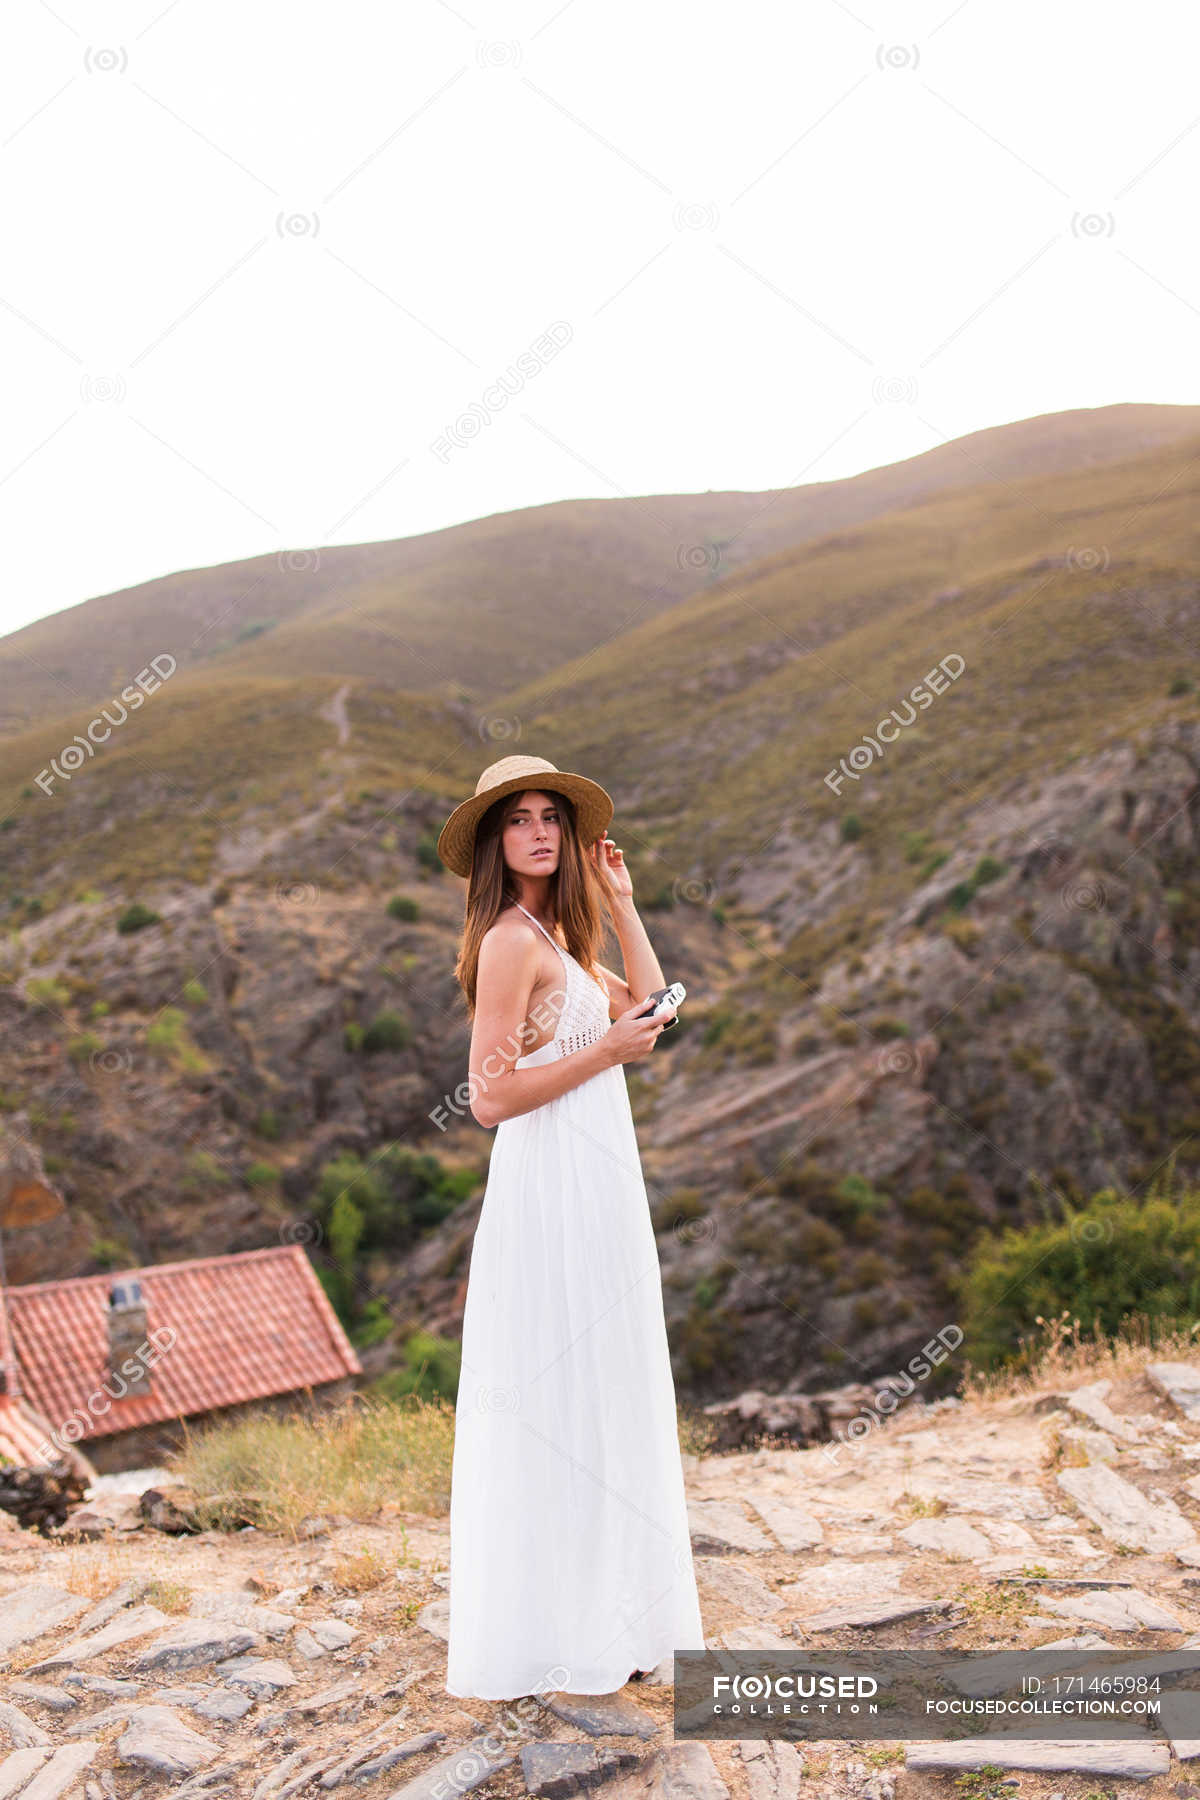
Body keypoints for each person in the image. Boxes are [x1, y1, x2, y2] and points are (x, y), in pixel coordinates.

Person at [436, 753, 705, 1701]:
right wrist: (604, 1054)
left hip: (596, 1178)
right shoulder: (510, 942)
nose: (540, 832)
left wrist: (623, 904)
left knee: (607, 1381)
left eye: (551, 816)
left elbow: (653, 1010)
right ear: (494, 844)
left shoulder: (559, 937)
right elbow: (488, 1095)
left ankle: (611, 1613)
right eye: (518, 820)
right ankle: (557, 1622)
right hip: (548, 1183)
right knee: (560, 1386)